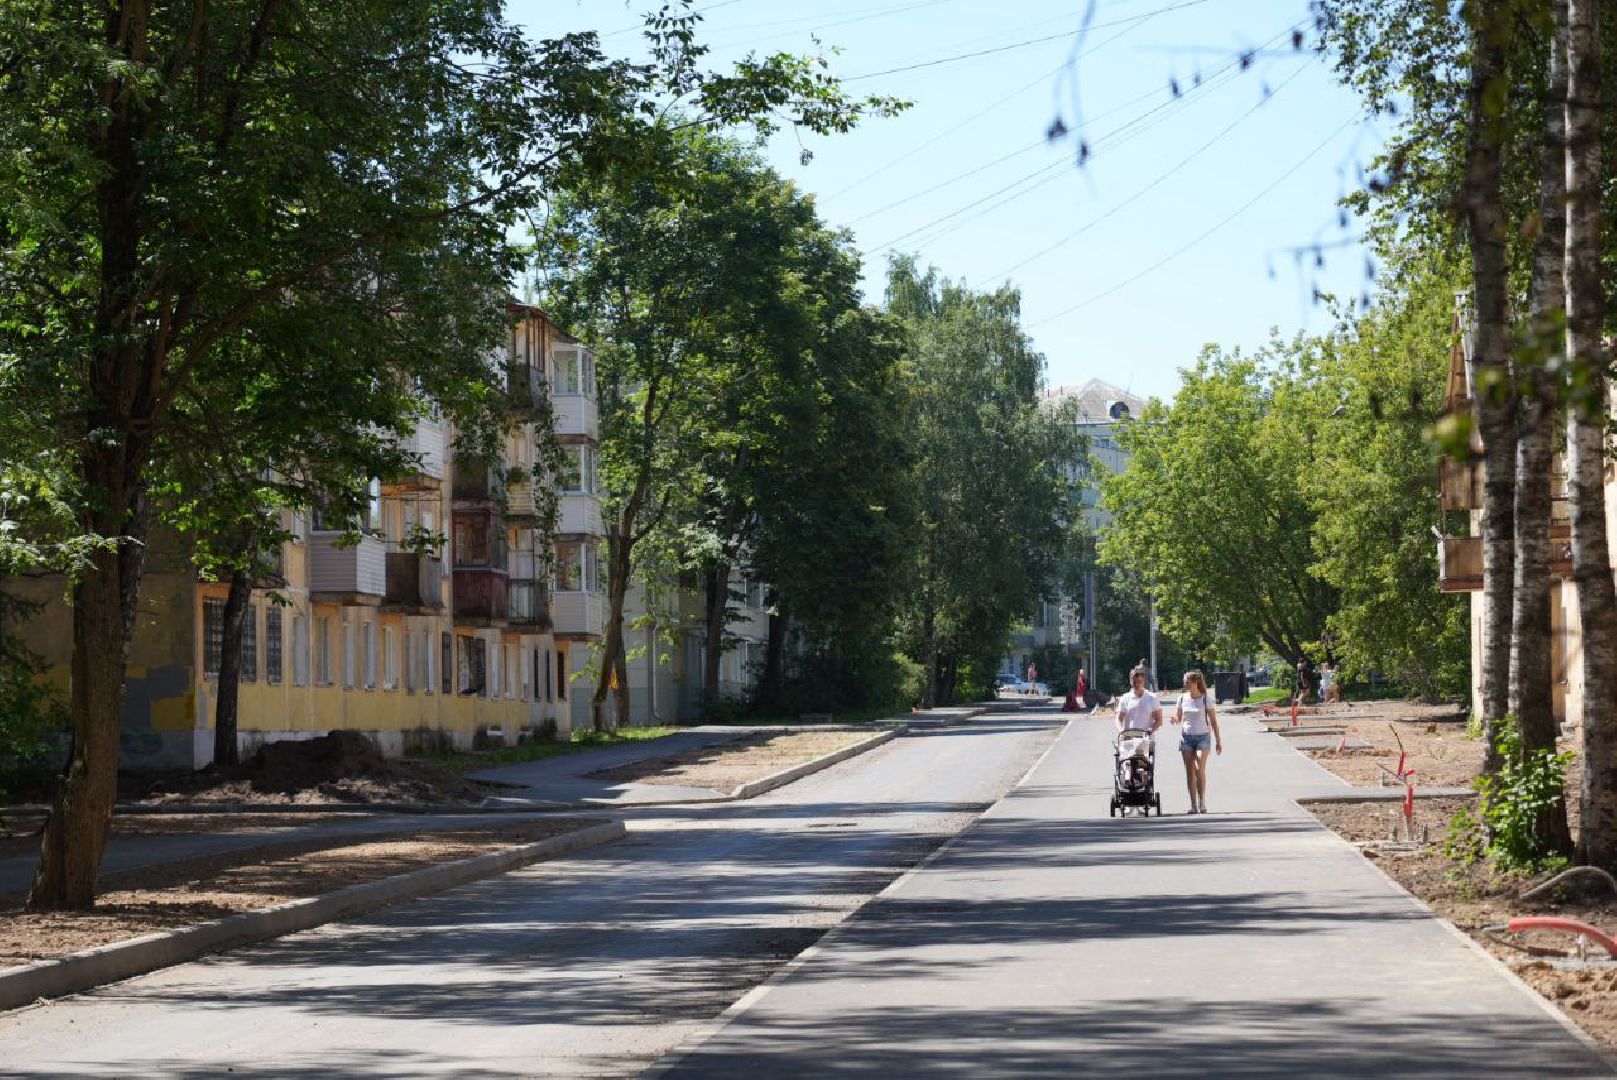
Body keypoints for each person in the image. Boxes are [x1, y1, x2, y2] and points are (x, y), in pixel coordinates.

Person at [1172, 669, 1223, 814]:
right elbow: (1178, 716)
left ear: (1196, 683)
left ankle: (1202, 801)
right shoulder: (1182, 698)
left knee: (1199, 766)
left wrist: (1218, 741)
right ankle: (1194, 804)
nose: (1186, 685)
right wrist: (1175, 719)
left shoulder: (1206, 699)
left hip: (1203, 737)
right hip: (1186, 738)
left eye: (1188, 683)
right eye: (1185, 683)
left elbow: (1213, 721)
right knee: (1190, 771)